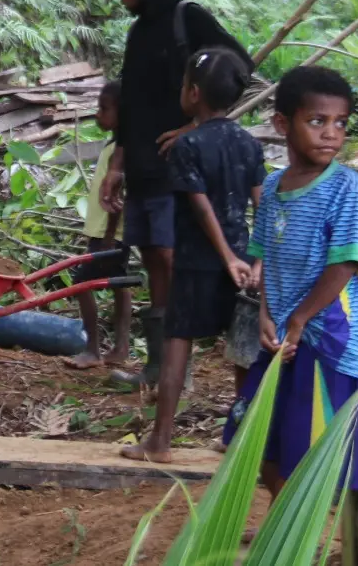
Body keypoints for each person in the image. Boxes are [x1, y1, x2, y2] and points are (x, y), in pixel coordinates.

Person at [101, 0, 250, 388]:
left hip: (179, 168)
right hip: (144, 167)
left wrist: (197, 126)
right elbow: (128, 105)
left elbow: (238, 63)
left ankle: (176, 371)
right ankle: (158, 368)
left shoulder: (190, 19)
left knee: (170, 256)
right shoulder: (137, 31)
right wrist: (116, 165)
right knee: (152, 259)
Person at [223, 65, 358, 498]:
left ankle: (293, 545)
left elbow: (345, 266)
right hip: (284, 334)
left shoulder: (347, 189)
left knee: (308, 452)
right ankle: (276, 529)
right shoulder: (272, 187)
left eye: (340, 123)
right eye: (317, 121)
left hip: (328, 337)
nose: (331, 134)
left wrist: (301, 319)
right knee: (258, 437)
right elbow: (264, 253)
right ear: (283, 124)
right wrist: (267, 314)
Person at [123, 51, 262, 463]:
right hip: (241, 263)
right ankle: (236, 437)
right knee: (240, 352)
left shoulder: (189, 145)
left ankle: (161, 441)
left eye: (184, 86)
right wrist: (253, 261)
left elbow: (200, 208)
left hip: (197, 262)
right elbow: (265, 206)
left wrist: (224, 257)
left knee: (177, 345)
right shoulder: (249, 144)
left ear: (194, 93)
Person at [65, 81, 134, 371]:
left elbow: (118, 198)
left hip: (108, 234)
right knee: (121, 284)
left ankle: (93, 348)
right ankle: (121, 346)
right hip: (108, 233)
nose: (98, 115)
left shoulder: (122, 151)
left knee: (82, 283)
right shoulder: (114, 147)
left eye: (104, 109)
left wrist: (107, 236)